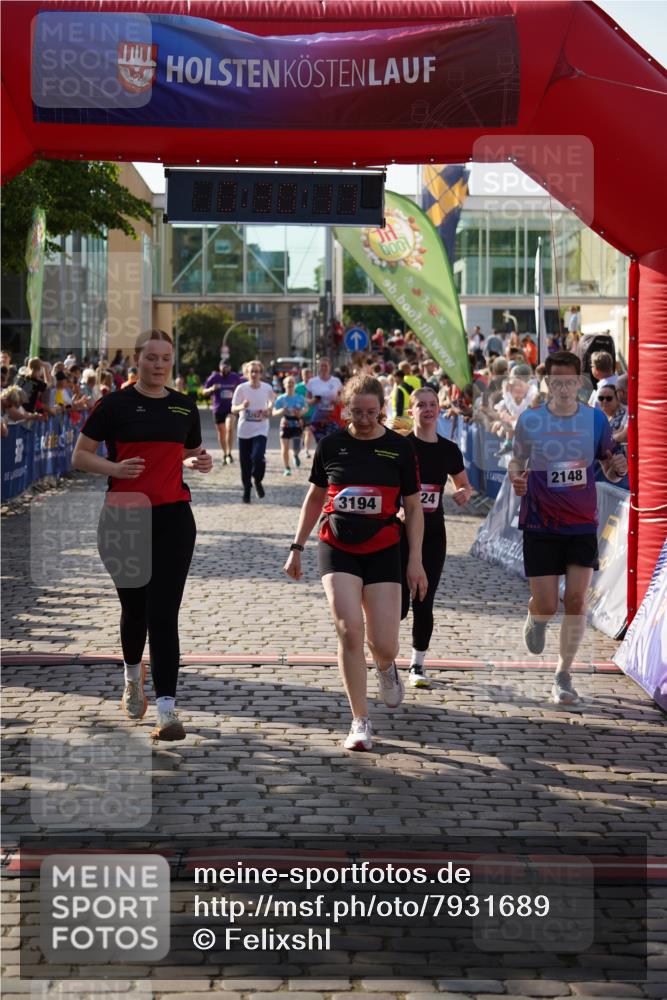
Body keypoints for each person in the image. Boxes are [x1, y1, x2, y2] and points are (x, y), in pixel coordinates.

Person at [71, 329, 212, 741]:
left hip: (173, 518)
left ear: (172, 361)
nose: (158, 364)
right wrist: (114, 470)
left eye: (165, 357)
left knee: (163, 615)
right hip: (123, 519)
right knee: (135, 611)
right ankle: (133, 675)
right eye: (151, 357)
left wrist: (197, 462)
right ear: (137, 360)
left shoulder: (184, 407)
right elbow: (79, 455)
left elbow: (183, 453)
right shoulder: (113, 405)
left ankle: (167, 711)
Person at [284, 374, 427, 752]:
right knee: (349, 630)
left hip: (383, 547)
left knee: (384, 643)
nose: (364, 419)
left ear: (382, 408)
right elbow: (315, 498)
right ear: (345, 408)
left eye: (372, 412)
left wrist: (416, 561)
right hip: (337, 546)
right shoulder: (332, 445)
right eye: (357, 412)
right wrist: (296, 546)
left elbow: (413, 508)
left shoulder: (399, 448)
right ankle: (360, 721)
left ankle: (385, 666)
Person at [509, 351, 627, 706]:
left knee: (575, 600)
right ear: (548, 383)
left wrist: (617, 467)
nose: (562, 387)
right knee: (547, 602)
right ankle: (537, 616)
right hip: (540, 522)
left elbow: (609, 467)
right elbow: (516, 460)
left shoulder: (595, 420)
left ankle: (563, 674)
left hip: (580, 523)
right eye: (555, 380)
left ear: (580, 382)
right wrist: (516, 477)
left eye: (568, 381)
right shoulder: (530, 420)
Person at [401, 387, 472, 687]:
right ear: (411, 411)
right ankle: (385, 656)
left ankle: (417, 664)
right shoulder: (401, 446)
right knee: (396, 603)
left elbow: (464, 484)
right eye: (421, 405)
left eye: (433, 405)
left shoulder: (448, 449)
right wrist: (396, 510)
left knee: (424, 599)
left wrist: (462, 494)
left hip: (433, 532)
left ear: (439, 410)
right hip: (398, 531)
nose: (428, 410)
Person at [231, 360, 275, 503]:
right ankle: (247, 489)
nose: (254, 374)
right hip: (244, 431)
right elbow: (233, 409)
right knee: (245, 463)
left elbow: (271, 402)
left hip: (261, 429)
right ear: (246, 374)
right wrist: (242, 406)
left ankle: (257, 480)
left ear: (261, 373)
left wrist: (268, 409)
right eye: (252, 371)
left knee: (258, 457)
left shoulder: (267, 388)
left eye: (257, 371)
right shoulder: (241, 388)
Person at [202, 359, 243, 463]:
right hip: (218, 408)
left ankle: (229, 453)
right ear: (220, 367)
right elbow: (203, 392)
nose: (226, 369)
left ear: (230, 367)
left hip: (231, 408)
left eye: (228, 366)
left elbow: (241, 390)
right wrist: (212, 389)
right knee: (221, 432)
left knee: (229, 427)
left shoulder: (234, 377)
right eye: (224, 366)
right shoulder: (214, 377)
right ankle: (224, 453)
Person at [273, 374, 306, 475]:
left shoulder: (300, 398)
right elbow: (273, 412)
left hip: (297, 423)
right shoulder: (281, 399)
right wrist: (281, 411)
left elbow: (306, 408)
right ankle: (287, 468)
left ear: (295, 385)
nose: (290, 385)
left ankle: (295, 455)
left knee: (297, 447)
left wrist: (301, 412)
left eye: (292, 383)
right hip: (285, 423)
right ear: (284, 385)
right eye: (288, 383)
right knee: (285, 447)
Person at [306, 357, 342, 443]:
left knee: (333, 441)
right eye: (321, 366)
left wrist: (337, 400)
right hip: (318, 416)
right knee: (320, 442)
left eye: (325, 366)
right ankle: (322, 456)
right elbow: (306, 399)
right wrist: (313, 401)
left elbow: (342, 396)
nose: (323, 368)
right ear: (318, 367)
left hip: (333, 415)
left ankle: (330, 456)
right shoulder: (312, 382)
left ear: (330, 367)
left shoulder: (336, 381)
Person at [295, 366, 315, 457]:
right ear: (302, 376)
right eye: (304, 375)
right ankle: (297, 449)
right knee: (299, 433)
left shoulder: (315, 387)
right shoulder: (298, 387)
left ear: (311, 376)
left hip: (311, 413)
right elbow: (294, 399)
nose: (307, 377)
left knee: (308, 431)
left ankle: (306, 450)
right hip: (300, 413)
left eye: (308, 375)